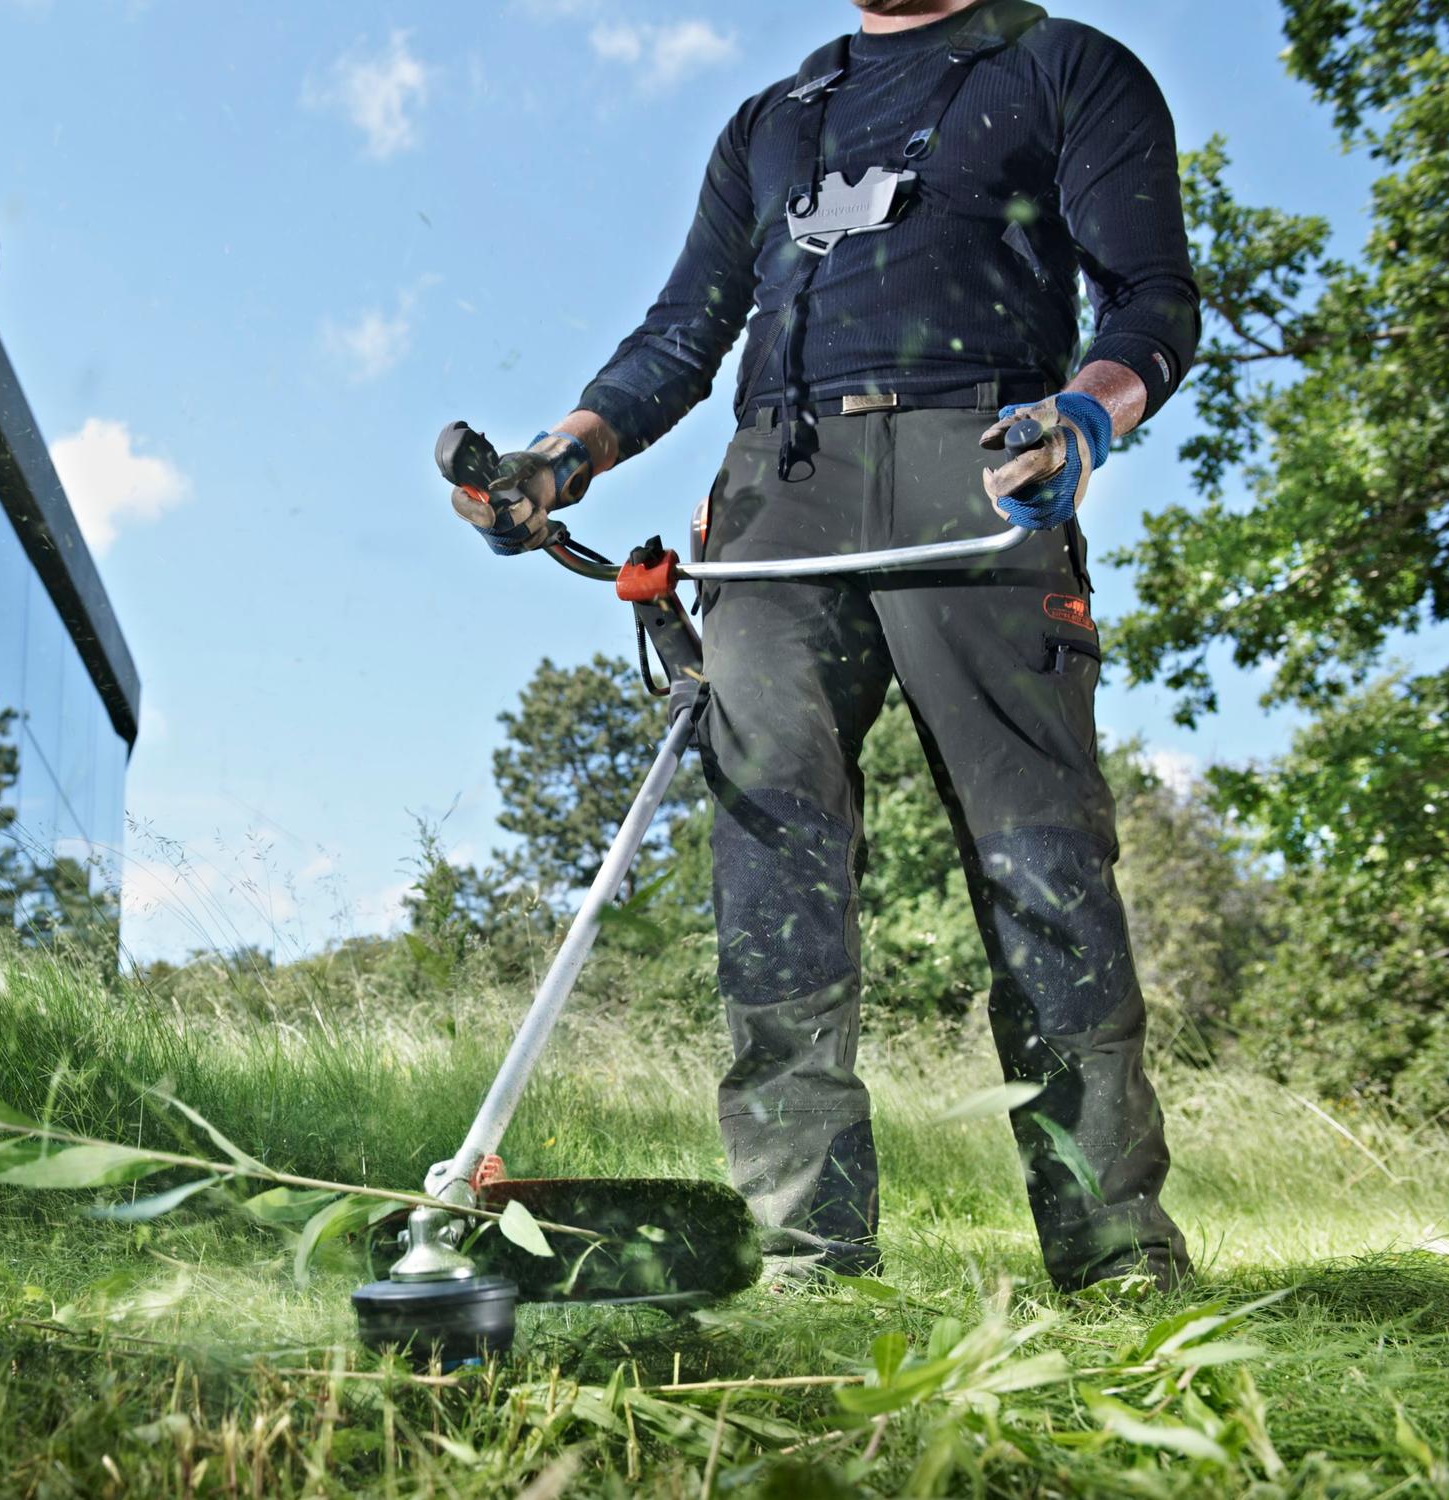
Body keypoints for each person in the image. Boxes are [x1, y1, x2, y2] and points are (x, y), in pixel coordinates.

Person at [448, 0, 1196, 1291]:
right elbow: (685, 330)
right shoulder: (775, 122)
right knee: (770, 874)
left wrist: (1080, 421)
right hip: (777, 488)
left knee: (1042, 867)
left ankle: (1116, 1253)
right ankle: (805, 1254)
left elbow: (1151, 300)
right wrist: (558, 461)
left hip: (981, 468)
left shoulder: (1065, 66)